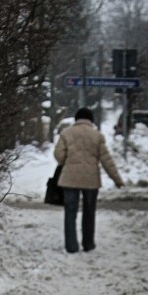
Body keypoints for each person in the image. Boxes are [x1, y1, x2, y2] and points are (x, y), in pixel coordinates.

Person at [53, 107, 124, 253]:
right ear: (91, 120)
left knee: (70, 212)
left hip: (70, 178)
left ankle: (71, 246)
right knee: (89, 212)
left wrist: (67, 161)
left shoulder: (67, 133)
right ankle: (88, 244)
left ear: (76, 119)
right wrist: (116, 179)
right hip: (91, 180)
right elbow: (106, 160)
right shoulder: (97, 135)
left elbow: (58, 155)